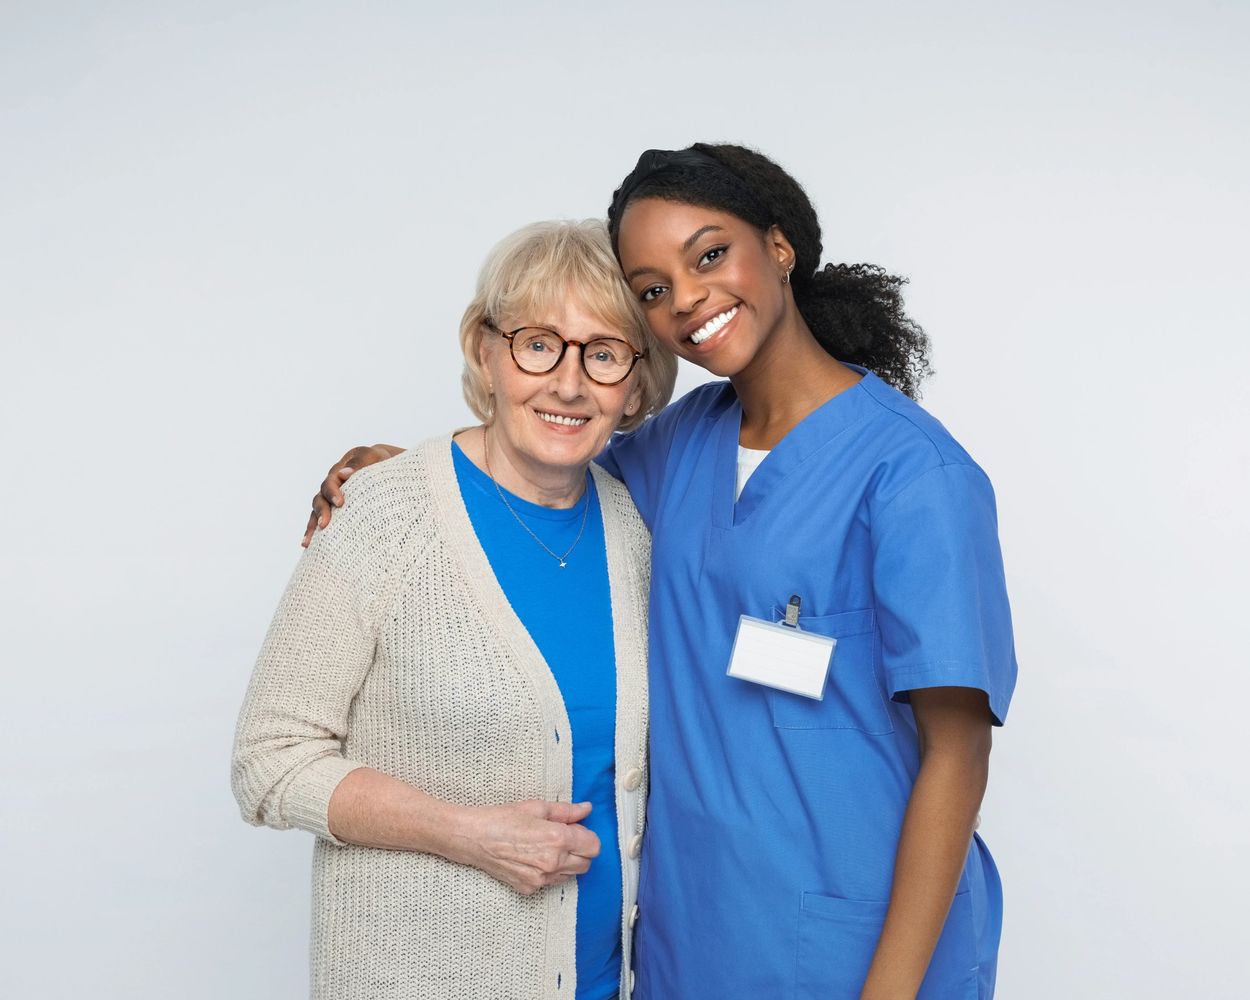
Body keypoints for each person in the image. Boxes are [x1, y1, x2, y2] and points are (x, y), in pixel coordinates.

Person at [306, 144, 1018, 1000]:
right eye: (652, 289)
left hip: (863, 944)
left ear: (780, 247)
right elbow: (540, 467)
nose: (688, 299)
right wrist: (406, 471)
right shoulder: (680, 445)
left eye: (710, 254)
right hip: (696, 941)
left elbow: (958, 751)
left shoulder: (916, 477)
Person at [232, 219, 677, 1000]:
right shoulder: (384, 514)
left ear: (637, 383)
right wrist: (470, 834)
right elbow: (268, 760)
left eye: (604, 355)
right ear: (486, 351)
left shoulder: (638, 529)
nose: (569, 383)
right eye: (539, 343)